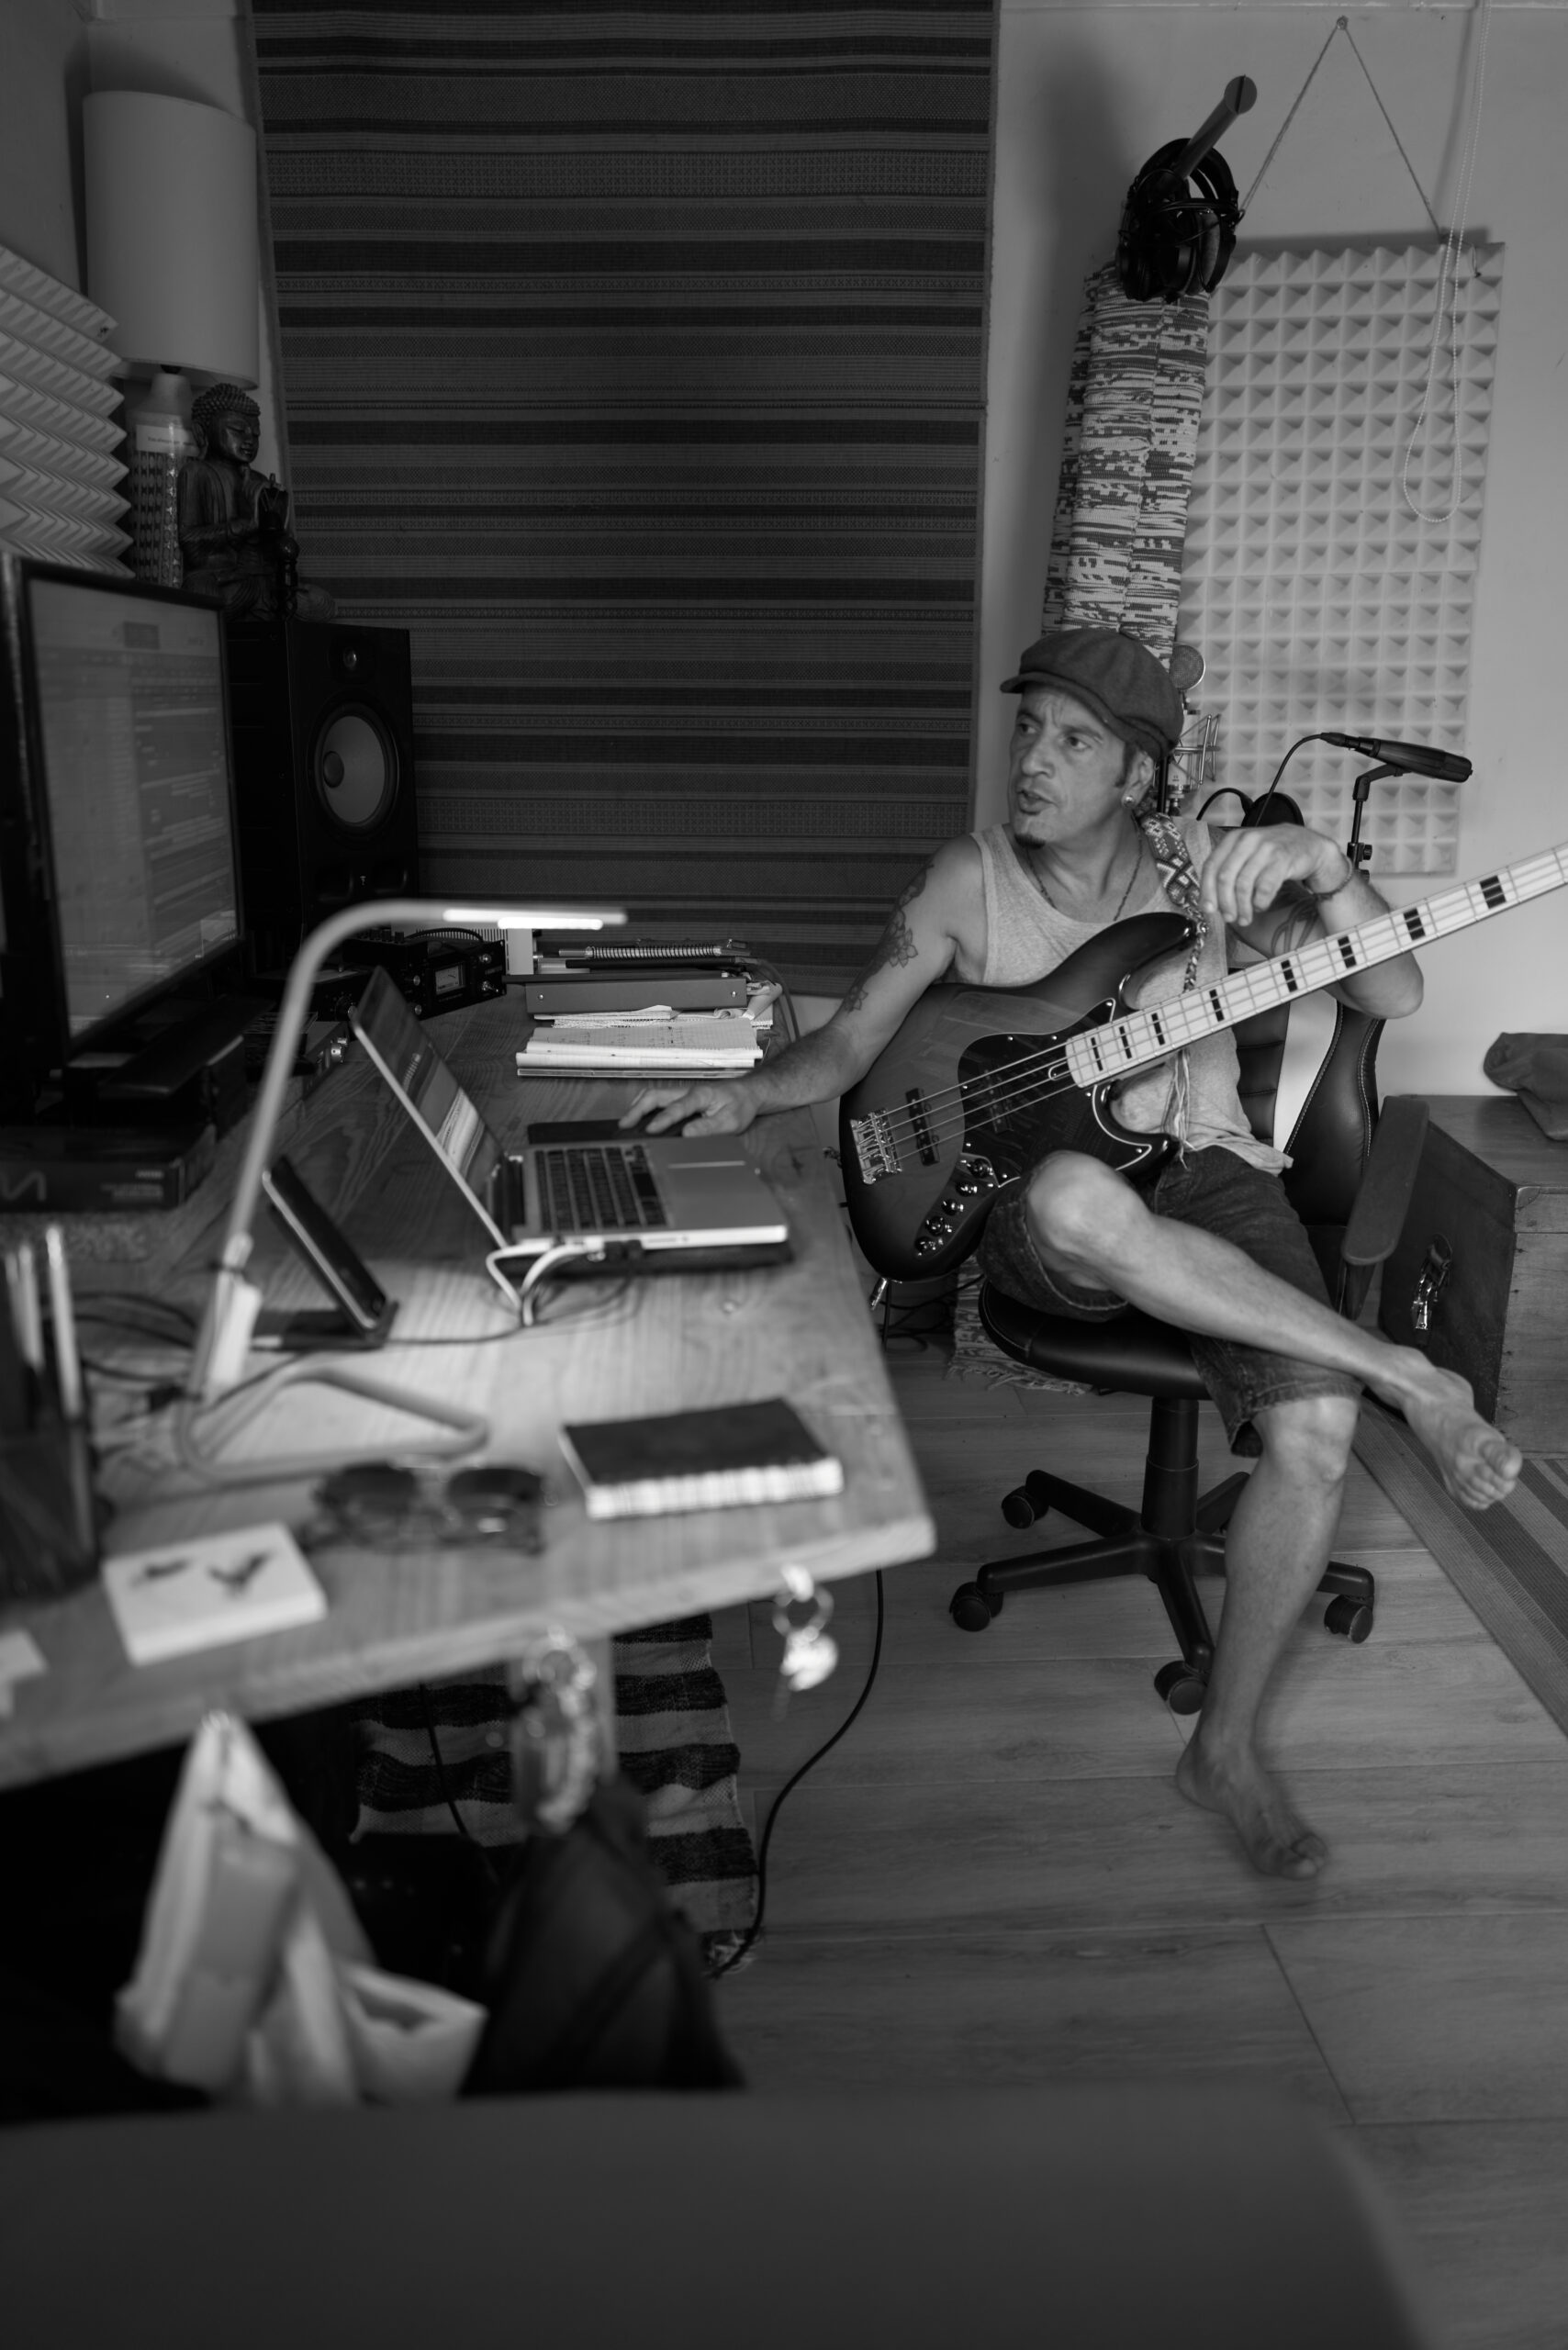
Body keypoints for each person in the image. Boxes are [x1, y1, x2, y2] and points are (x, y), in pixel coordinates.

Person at [625, 625, 1522, 1882]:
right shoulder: (966, 879)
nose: (1033, 760)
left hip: (1207, 1173)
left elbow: (1393, 996)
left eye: (1074, 739)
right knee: (1071, 1189)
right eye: (1029, 729)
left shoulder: (1202, 875)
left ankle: (1223, 1749)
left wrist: (1325, 869)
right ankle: (1407, 1375)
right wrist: (745, 1093)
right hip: (1039, 1207)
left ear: (1139, 774)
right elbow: (849, 1045)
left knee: (1317, 1435)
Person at [177, 383, 297, 617]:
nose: (249, 439)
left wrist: (280, 526)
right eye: (237, 430)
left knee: (320, 603)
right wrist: (245, 525)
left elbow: (278, 549)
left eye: (255, 434)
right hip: (221, 579)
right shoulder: (196, 473)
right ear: (202, 431)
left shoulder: (260, 481)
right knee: (200, 591)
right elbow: (189, 541)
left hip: (260, 580)